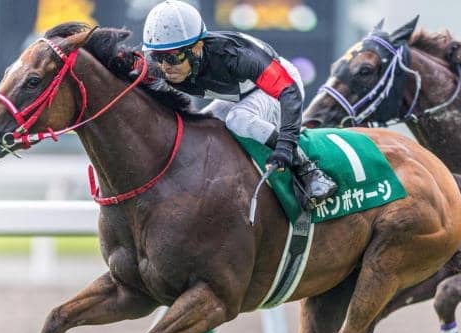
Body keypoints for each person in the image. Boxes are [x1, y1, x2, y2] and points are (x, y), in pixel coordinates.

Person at [141, 0, 337, 205]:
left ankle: (308, 170)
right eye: (158, 56)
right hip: (240, 94)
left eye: (174, 57)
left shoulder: (235, 56)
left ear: (197, 47)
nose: (165, 66)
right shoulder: (156, 66)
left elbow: (289, 92)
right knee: (203, 126)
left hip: (281, 86)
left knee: (238, 119)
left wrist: (285, 146)